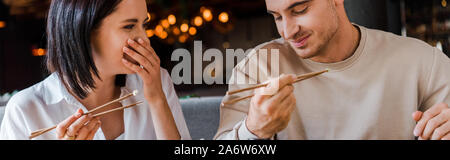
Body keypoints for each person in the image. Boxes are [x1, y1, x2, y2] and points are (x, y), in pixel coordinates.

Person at [215, 0, 450, 140]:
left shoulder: (422, 61)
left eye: (300, 10)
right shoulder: (257, 67)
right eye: (277, 17)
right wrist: (253, 131)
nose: (287, 31)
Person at [0, 0, 190, 140]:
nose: (145, 39)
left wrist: (157, 99)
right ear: (84, 31)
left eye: (144, 25)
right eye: (129, 26)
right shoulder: (25, 110)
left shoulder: (158, 82)